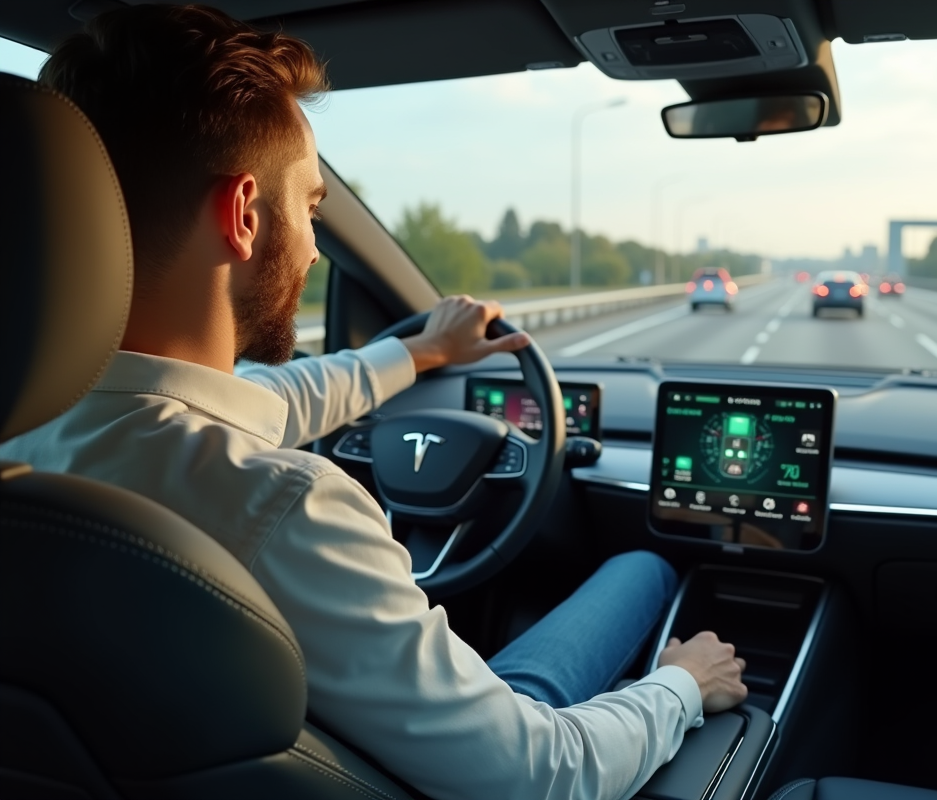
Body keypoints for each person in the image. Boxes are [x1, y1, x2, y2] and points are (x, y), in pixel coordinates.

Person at [0, 5, 748, 800]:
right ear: (245, 215)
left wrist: (421, 352)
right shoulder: (284, 506)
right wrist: (679, 689)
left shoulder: (43, 430)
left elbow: (256, 403)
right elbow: (539, 776)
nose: (317, 245)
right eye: (312, 206)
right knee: (642, 566)